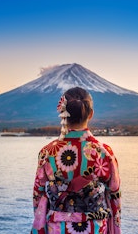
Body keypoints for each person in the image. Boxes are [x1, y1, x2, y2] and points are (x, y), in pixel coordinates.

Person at [31, 87, 121, 234]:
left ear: (62, 114)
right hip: (95, 228)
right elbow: (114, 197)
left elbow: (38, 196)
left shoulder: (47, 152)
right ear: (91, 114)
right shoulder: (104, 153)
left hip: (57, 228)